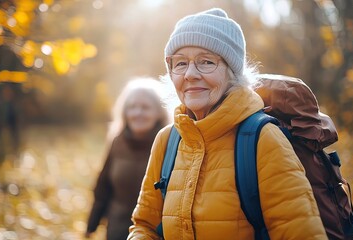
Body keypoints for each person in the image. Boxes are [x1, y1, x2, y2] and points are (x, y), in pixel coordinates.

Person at [127, 8, 328, 240]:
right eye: (180, 63)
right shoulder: (167, 140)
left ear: (232, 72)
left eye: (206, 61)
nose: (190, 74)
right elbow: (144, 225)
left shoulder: (263, 138)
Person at [85, 77, 170, 240]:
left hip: (156, 234)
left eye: (145, 107)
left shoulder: (171, 143)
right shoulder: (117, 142)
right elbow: (102, 187)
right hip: (117, 231)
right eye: (132, 107)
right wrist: (91, 225)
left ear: (159, 112)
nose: (138, 113)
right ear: (124, 111)